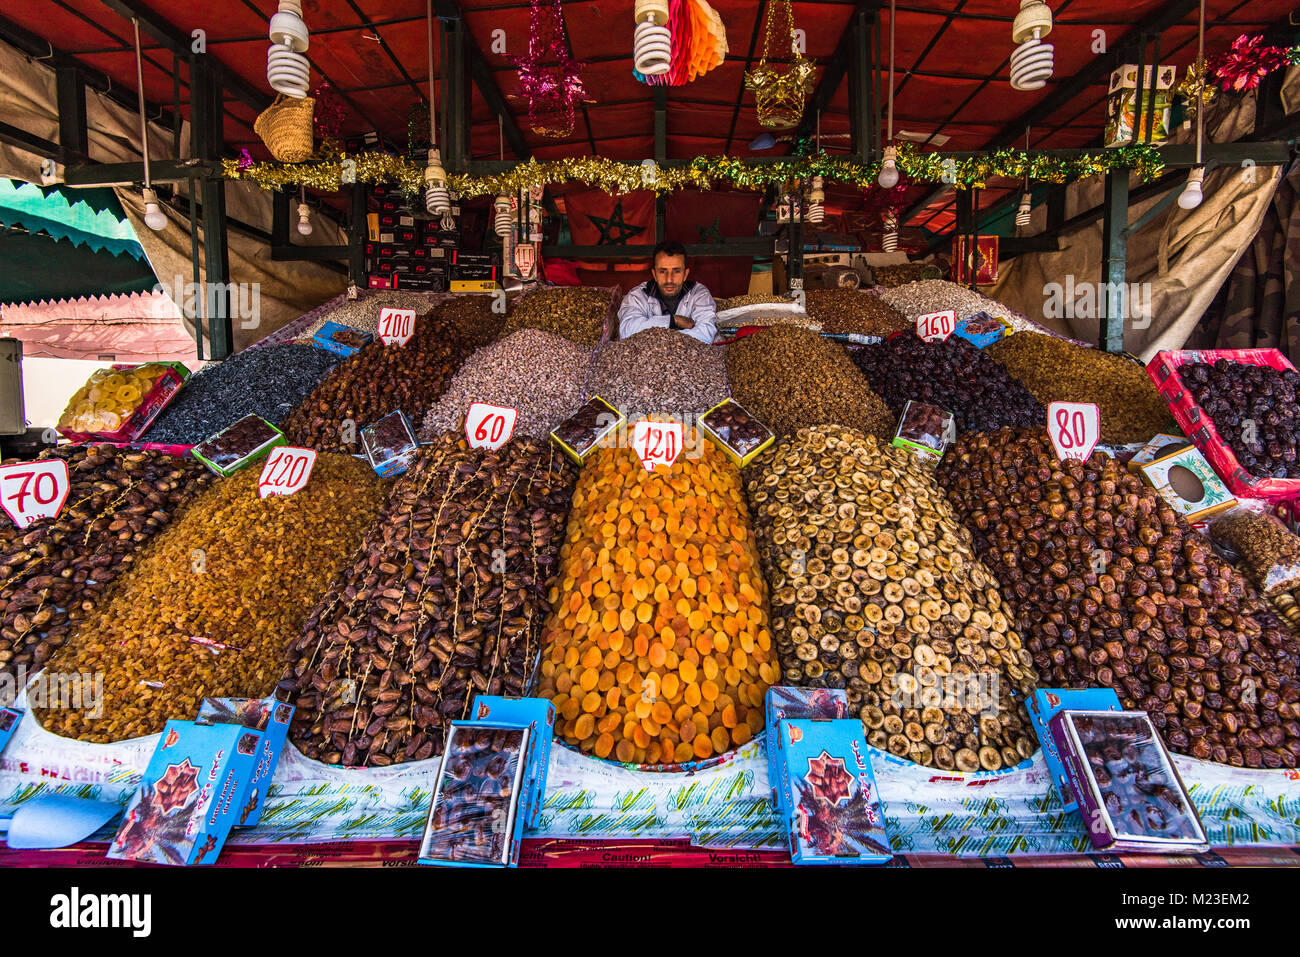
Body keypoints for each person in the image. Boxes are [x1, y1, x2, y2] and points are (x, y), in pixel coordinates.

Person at [617, 240, 718, 344]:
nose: (669, 279)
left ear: (685, 274)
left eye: (676, 271)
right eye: (662, 271)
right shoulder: (637, 296)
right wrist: (673, 320)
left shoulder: (699, 294)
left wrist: (659, 339)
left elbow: (706, 333)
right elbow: (627, 332)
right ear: (654, 274)